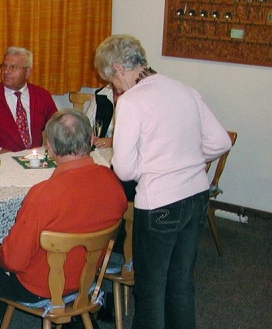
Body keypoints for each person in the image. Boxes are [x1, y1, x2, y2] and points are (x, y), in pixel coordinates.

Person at [94, 34, 232, 329]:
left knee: (150, 291)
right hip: (196, 196)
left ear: (118, 67)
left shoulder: (132, 101)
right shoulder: (185, 90)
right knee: (181, 283)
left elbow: (125, 171)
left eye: (111, 80)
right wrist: (187, 158)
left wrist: (157, 163)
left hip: (159, 204)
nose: (114, 88)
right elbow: (221, 141)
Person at [0, 108, 127, 328]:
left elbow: (13, 261)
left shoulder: (44, 194)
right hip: (86, 281)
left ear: (50, 149)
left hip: (42, 288)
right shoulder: (112, 183)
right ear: (91, 139)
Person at [0, 46, 57, 158]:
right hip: (0, 163)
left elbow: (58, 129)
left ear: (27, 72)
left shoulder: (42, 96)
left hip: (34, 162)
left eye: (13, 67)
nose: (6, 72)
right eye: (4, 66)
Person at [83, 83, 122, 149]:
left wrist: (112, 141)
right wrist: (91, 136)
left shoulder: (136, 98)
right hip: (102, 150)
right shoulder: (102, 94)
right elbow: (85, 125)